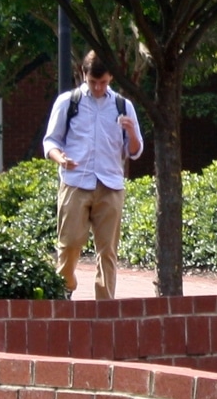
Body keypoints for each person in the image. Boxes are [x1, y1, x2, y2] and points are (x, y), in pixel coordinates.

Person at [43, 51, 143, 300]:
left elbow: (135, 151)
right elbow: (50, 142)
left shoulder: (123, 105)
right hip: (75, 182)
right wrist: (60, 158)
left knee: (108, 249)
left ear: (111, 78)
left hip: (110, 184)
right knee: (70, 244)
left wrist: (131, 133)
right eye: (93, 82)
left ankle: (105, 303)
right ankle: (64, 290)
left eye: (104, 82)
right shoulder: (69, 102)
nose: (98, 88)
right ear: (83, 75)